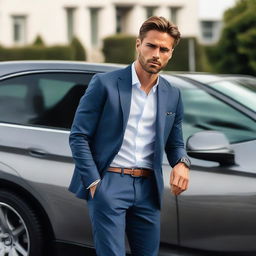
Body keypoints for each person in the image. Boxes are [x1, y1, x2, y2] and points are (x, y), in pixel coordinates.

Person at [68, 16, 190, 256]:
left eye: (164, 49)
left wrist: (182, 163)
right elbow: (78, 136)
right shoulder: (105, 83)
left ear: (170, 54)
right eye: (151, 46)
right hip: (109, 182)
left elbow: (175, 143)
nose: (156, 53)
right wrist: (94, 184)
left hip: (148, 188)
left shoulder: (172, 94)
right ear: (138, 44)